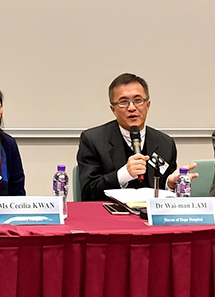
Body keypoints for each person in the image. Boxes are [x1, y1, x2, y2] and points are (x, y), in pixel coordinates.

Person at [77, 72, 195, 202]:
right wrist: (124, 174)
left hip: (152, 217)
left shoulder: (165, 143)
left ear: (147, 105)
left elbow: (163, 191)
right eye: (123, 102)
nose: (132, 108)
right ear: (113, 109)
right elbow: (88, 192)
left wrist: (170, 184)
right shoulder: (93, 140)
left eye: (138, 100)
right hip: (111, 217)